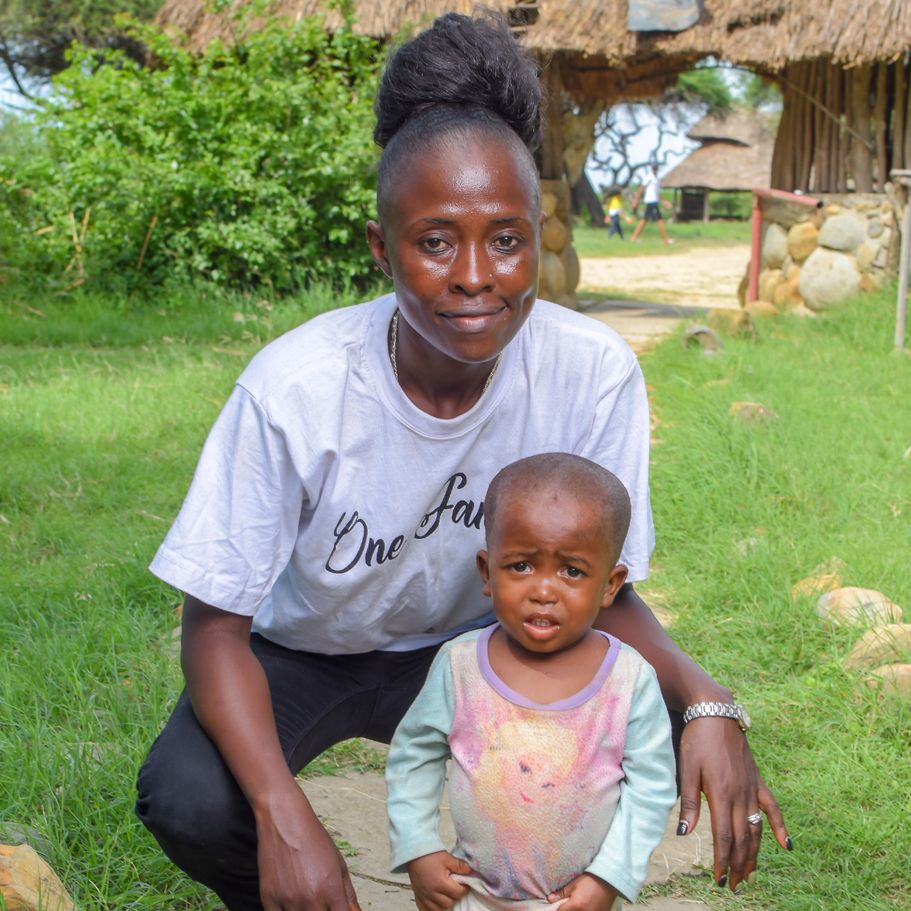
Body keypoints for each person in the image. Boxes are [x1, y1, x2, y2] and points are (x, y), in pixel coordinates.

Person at [134, 12, 789, 911]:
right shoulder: (296, 387)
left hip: (493, 643)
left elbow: (606, 588)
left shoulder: (589, 371)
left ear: (536, 234)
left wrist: (708, 705)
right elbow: (213, 627)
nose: (474, 274)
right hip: (307, 654)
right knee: (193, 799)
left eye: (506, 238)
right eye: (435, 240)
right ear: (381, 248)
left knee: (597, 730)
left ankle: (526, 889)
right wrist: (285, 816)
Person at [386, 453, 678, 911]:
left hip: (577, 902)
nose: (543, 590)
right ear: (487, 571)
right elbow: (413, 756)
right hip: (472, 896)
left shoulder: (628, 682)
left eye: (572, 571)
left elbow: (652, 788)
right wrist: (419, 846)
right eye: (521, 566)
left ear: (610, 584)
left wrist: (609, 878)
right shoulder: (460, 667)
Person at [629, 164, 674, 244]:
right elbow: (641, 189)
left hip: (654, 201)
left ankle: (634, 237)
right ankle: (666, 240)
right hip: (650, 201)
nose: (655, 170)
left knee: (644, 220)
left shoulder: (657, 179)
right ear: (652, 169)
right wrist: (636, 200)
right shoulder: (648, 177)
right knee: (659, 220)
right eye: (654, 169)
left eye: (656, 169)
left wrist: (664, 201)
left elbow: (657, 192)